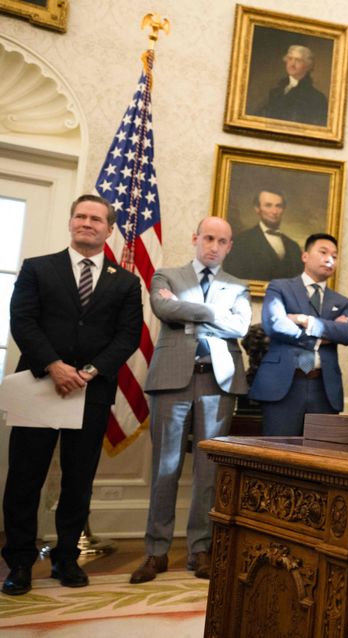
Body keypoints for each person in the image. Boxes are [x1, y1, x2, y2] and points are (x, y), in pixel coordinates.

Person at [2, 195, 142, 596]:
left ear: (109, 229)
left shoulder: (127, 282)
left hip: (91, 391)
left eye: (96, 218)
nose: (87, 223)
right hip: (38, 386)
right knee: (25, 478)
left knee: (78, 480)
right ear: (70, 223)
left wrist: (88, 372)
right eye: (80, 216)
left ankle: (66, 558)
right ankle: (20, 563)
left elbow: (127, 337)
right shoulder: (37, 269)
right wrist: (55, 366)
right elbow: (22, 321)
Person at [129, 217, 251, 585]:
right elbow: (164, 309)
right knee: (165, 468)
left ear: (230, 247)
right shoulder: (166, 276)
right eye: (208, 238)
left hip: (218, 381)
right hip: (171, 379)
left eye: (222, 241)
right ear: (195, 238)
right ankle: (156, 551)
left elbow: (240, 327)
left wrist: (191, 312)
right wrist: (217, 315)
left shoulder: (237, 285)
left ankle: (201, 549)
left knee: (208, 471)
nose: (214, 245)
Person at [249, 233, 348, 435]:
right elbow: (275, 324)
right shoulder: (279, 287)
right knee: (276, 454)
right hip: (283, 386)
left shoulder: (341, 301)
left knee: (319, 458)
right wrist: (321, 338)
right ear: (305, 256)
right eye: (323, 252)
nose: (329, 259)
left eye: (334, 255)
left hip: (324, 389)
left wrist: (305, 321)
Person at [223, 189, 304, 281]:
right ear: (257, 209)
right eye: (268, 205)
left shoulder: (293, 247)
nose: (274, 211)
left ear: (283, 209)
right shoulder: (240, 242)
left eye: (278, 206)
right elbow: (231, 279)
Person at [253, 44, 328, 126]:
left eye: (298, 60)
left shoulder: (316, 98)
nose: (292, 64)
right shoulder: (275, 92)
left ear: (307, 66)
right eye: (290, 59)